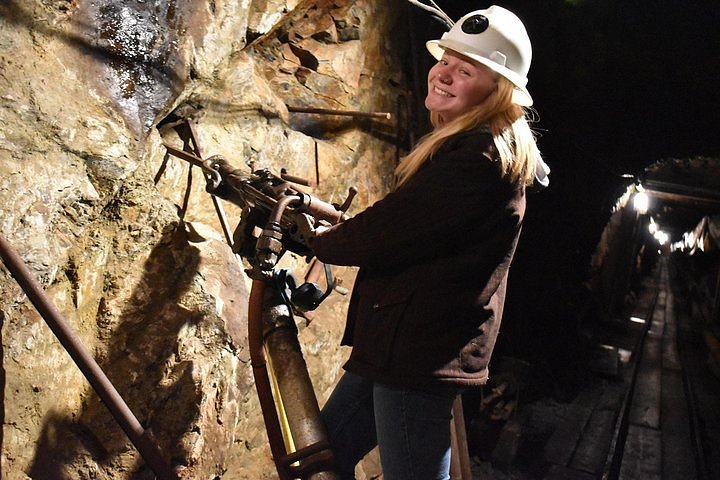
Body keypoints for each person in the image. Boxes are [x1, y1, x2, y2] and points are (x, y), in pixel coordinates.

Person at [305, 5, 547, 479]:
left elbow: (391, 228)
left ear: (497, 90)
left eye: (466, 70)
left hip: (419, 354)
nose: (444, 74)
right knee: (323, 458)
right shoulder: (470, 147)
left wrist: (319, 241)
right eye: (445, 61)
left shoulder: (480, 158)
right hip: (399, 344)